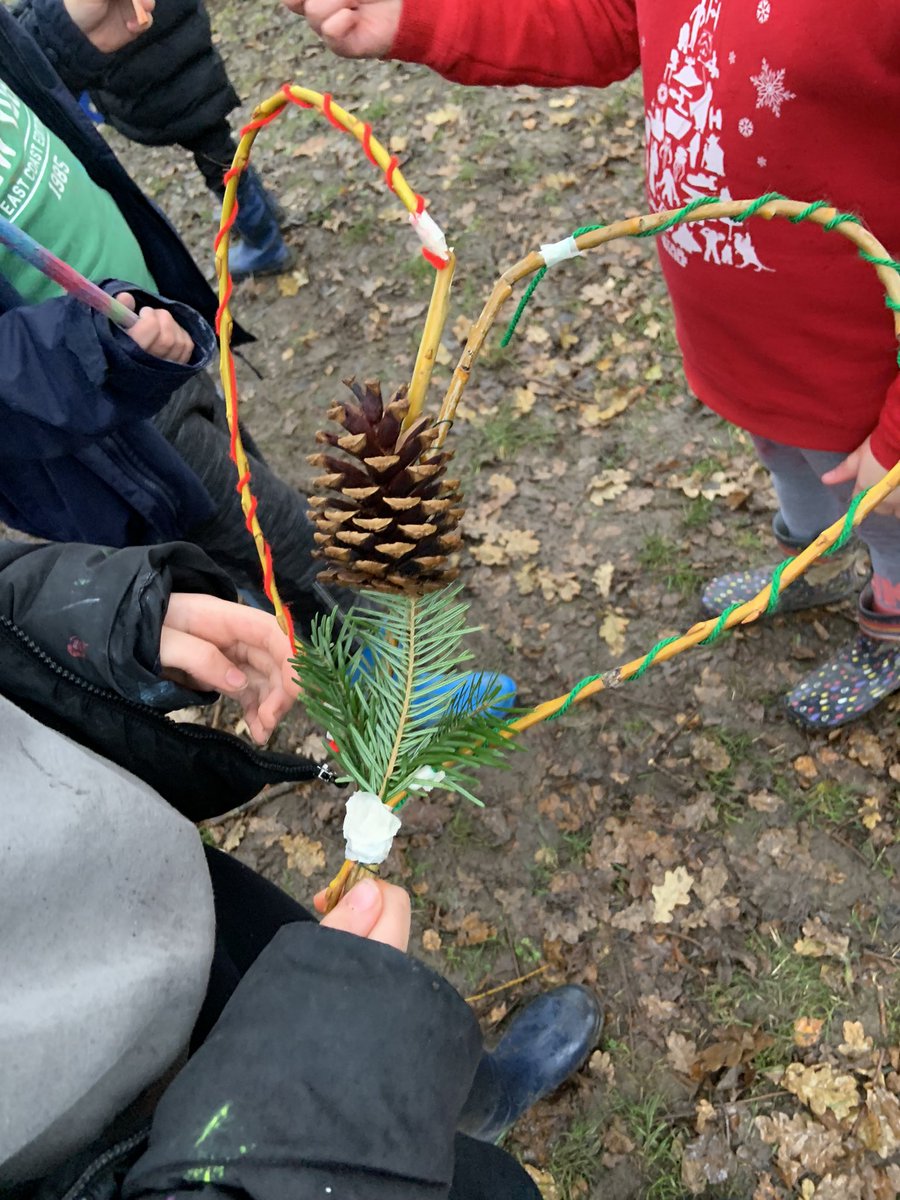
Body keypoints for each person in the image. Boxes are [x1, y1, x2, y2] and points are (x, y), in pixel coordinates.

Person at [283, 0, 900, 729]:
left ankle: (891, 619)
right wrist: (418, 16)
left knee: (878, 507)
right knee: (784, 453)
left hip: (859, 373)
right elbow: (606, 17)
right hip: (741, 339)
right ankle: (814, 563)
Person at [0, 534, 602, 1199]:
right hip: (142, 1153)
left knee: (345, 988)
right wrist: (298, 1128)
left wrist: (93, 614)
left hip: (171, 894)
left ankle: (486, 1102)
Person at [13, 0, 294, 278]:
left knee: (219, 163)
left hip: (161, 85)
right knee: (221, 150)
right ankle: (264, 213)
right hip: (191, 57)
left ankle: (264, 243)